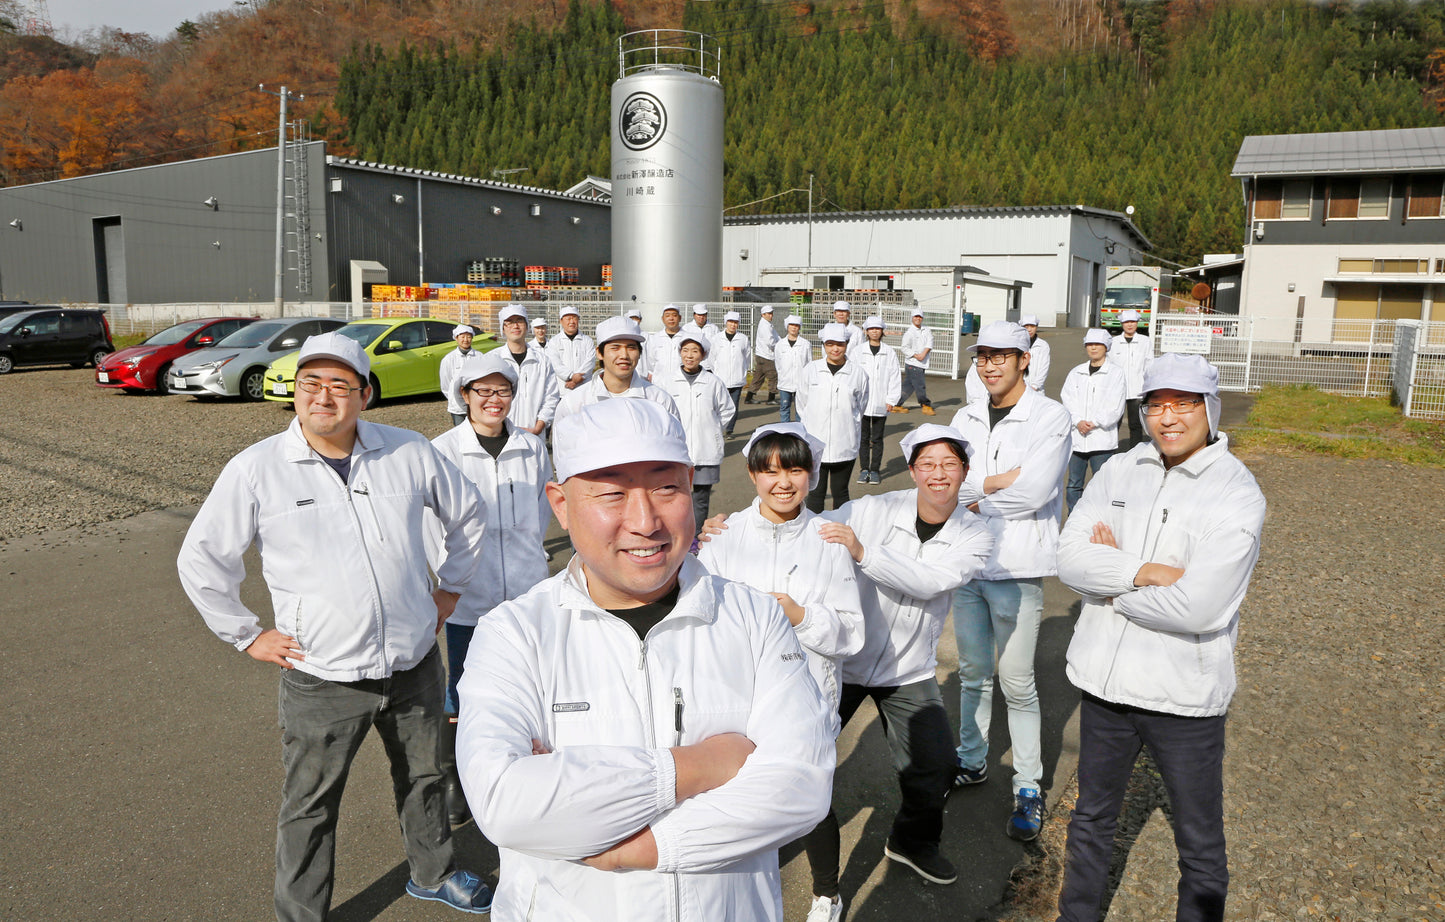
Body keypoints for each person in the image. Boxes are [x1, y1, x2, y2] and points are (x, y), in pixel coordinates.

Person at [453, 398, 836, 922]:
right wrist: (698, 767)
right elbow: (505, 804)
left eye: (666, 488)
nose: (644, 520)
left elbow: (801, 786)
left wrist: (642, 846)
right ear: (560, 504)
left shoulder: (752, 618)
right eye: (611, 493)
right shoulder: (516, 633)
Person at [177, 331, 494, 920]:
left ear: (364, 395)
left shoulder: (408, 451)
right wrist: (246, 633)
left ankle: (433, 873)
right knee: (310, 803)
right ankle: (301, 913)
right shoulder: (259, 469)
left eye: (339, 385)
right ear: (294, 392)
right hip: (321, 674)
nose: (323, 397)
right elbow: (202, 558)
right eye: (309, 384)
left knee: (425, 778)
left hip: (412, 662)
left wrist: (449, 587)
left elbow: (468, 511)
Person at [1054, 354, 1265, 922]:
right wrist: (1143, 570)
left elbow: (1200, 605)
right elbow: (1069, 559)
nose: (1168, 418)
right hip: (1105, 683)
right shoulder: (1123, 469)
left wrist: (1109, 580)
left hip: (1183, 698)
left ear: (1210, 409)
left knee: (1197, 841)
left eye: (1184, 403)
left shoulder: (1235, 491)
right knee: (1092, 819)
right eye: (1156, 404)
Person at [696, 423, 865, 922]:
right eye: (769, 470)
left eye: (794, 469)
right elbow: (700, 611)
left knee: (810, 796)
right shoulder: (725, 536)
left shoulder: (827, 539)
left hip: (807, 693)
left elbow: (852, 634)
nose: (782, 482)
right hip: (737, 694)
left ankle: (826, 894)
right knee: (738, 793)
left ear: (811, 475)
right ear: (751, 475)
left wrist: (800, 615)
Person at [815, 425, 994, 890]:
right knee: (799, 750)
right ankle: (780, 826)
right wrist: (732, 526)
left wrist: (863, 551)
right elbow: (807, 529)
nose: (939, 474)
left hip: (907, 668)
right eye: (928, 465)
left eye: (949, 464)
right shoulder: (874, 508)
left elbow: (931, 581)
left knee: (934, 766)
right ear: (913, 470)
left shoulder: (976, 534)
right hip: (844, 658)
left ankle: (912, 842)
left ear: (965, 471)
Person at [947, 320, 1073, 842]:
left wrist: (979, 489)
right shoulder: (965, 415)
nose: (989, 365)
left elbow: (1037, 492)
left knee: (1016, 681)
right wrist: (995, 481)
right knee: (973, 671)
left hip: (1018, 568)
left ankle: (1028, 787)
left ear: (1025, 359)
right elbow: (945, 482)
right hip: (968, 564)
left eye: (1001, 356)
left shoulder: (1050, 416)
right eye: (982, 356)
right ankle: (972, 760)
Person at [427, 348, 552, 826]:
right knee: (463, 692)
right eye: (483, 391)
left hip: (524, 587)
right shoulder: (443, 450)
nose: (493, 400)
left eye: (502, 391)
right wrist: (444, 581)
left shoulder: (532, 447)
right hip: (468, 592)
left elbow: (541, 509)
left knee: (528, 684)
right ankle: (461, 781)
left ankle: (520, 772)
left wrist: (529, 554)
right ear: (465, 395)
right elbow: (432, 523)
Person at [657, 330, 734, 529]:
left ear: (703, 355)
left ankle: (695, 538)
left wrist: (714, 430)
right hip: (676, 451)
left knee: (700, 499)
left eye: (695, 351)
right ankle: (676, 535)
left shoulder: (713, 382)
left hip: (706, 449)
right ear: (680, 352)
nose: (689, 355)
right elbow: (660, 412)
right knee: (674, 497)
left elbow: (727, 409)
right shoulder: (668, 381)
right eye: (685, 350)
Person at [796, 323, 869, 513]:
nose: (835, 349)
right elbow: (802, 405)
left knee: (841, 492)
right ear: (823, 345)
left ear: (847, 344)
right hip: (815, 443)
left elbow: (860, 407)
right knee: (815, 493)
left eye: (840, 344)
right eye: (830, 344)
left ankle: (840, 533)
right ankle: (813, 535)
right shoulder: (811, 370)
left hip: (844, 442)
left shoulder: (858, 373)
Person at [554, 315, 679, 423]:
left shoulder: (659, 401)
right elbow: (564, 449)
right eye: (615, 348)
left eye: (631, 347)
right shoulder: (574, 404)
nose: (624, 355)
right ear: (599, 353)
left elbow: (675, 447)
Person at [1059, 328, 1127, 511]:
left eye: (1098, 344)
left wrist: (1094, 422)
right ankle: (1074, 516)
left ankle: (1100, 517)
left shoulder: (1115, 373)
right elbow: (1067, 399)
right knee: (1074, 483)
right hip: (1077, 438)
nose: (1093, 348)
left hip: (1102, 439)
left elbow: (1116, 406)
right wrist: (1078, 421)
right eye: (1089, 344)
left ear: (1106, 347)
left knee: (1102, 483)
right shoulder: (1076, 372)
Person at [497, 304, 560, 436]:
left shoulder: (543, 361)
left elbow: (551, 397)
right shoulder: (494, 360)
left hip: (534, 433)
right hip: (500, 433)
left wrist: (539, 426)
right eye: (509, 322)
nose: (515, 326)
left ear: (526, 326)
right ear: (503, 328)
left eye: (519, 321)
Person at [854, 315, 902, 485]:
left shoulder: (889, 352)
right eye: (871, 329)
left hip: (881, 402)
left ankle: (875, 470)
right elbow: (853, 376)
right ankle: (864, 469)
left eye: (878, 329)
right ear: (866, 331)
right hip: (862, 403)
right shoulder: (858, 351)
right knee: (863, 438)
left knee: (878, 438)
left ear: (882, 331)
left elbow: (895, 377)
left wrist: (892, 399)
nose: (874, 331)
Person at [1109, 310, 1154, 449]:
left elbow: (1149, 365)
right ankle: (1111, 450)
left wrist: (1148, 387)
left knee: (1135, 424)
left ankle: (1135, 452)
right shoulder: (1113, 342)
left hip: (1137, 389)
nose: (1130, 325)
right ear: (1122, 324)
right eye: (1126, 322)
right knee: (1113, 422)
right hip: (1117, 389)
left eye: (1133, 322)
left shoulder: (1145, 341)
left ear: (1137, 323)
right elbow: (1109, 365)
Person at [711, 310, 751, 436]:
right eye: (730, 322)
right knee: (718, 406)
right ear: (726, 323)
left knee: (734, 406)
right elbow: (712, 358)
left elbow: (747, 357)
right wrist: (716, 372)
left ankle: (729, 430)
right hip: (721, 378)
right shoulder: (716, 339)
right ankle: (718, 428)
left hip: (737, 379)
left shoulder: (743, 339)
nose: (733, 325)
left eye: (735, 322)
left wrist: (743, 371)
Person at [894, 308, 936, 415]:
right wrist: (916, 355)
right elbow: (904, 348)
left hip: (922, 363)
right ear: (912, 318)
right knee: (920, 385)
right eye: (915, 317)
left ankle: (896, 404)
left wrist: (924, 354)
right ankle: (925, 405)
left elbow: (930, 342)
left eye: (920, 317)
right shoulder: (909, 333)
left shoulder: (926, 329)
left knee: (908, 386)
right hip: (913, 364)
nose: (918, 319)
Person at [774, 314, 812, 424]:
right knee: (784, 407)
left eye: (796, 325)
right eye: (791, 325)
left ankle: (799, 431)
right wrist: (782, 375)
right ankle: (785, 431)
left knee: (800, 409)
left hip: (800, 382)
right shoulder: (780, 344)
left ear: (799, 327)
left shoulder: (805, 344)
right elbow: (778, 363)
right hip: (784, 382)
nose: (794, 328)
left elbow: (809, 363)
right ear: (787, 326)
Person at [546, 305, 595, 392]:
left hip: (584, 388)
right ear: (561, 321)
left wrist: (576, 380)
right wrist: (571, 376)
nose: (572, 321)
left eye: (574, 318)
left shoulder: (587, 340)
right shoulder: (554, 342)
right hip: (562, 389)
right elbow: (555, 364)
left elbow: (590, 362)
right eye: (568, 319)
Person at [439, 323, 478, 425]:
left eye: (469, 336)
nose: (466, 339)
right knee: (459, 431)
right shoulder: (449, 359)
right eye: (462, 337)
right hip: (456, 406)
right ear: (456, 338)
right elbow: (445, 384)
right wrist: (454, 396)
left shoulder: (479, 356)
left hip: (475, 402)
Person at [644, 303, 686, 387]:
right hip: (660, 384)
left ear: (680, 318)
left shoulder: (687, 337)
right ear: (662, 319)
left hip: (682, 384)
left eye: (674, 315)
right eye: (667, 315)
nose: (671, 318)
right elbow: (650, 363)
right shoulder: (654, 339)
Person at [745, 304, 779, 405]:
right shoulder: (765, 326)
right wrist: (778, 347)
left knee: (758, 377)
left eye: (771, 313)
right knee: (773, 376)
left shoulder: (766, 324)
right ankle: (771, 398)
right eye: (768, 313)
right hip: (767, 356)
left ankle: (749, 397)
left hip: (761, 355)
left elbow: (776, 337)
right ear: (763, 314)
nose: (770, 315)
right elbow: (770, 341)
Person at [1021, 314, 1052, 394]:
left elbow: (1044, 367)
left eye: (1032, 326)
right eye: (1026, 327)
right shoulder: (1018, 344)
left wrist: (1035, 386)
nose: (1029, 330)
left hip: (1037, 390)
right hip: (1020, 388)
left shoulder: (1043, 345)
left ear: (1036, 327)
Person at [624, 308, 652, 380]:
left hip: (643, 372)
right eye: (632, 318)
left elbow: (650, 353)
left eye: (636, 318)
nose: (634, 321)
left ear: (640, 320)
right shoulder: (625, 335)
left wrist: (650, 371)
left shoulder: (646, 335)